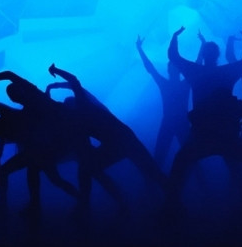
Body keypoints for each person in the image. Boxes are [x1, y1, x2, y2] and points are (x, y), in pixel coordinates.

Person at [164, 27, 242, 216]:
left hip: (202, 135)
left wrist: (175, 37)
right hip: (227, 134)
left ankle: (172, 206)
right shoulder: (227, 72)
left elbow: (173, 56)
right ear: (217, 55)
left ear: (204, 54)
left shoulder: (195, 71)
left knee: (180, 164)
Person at [46, 64, 168, 193]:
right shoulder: (78, 119)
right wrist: (54, 77)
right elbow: (73, 83)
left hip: (122, 141)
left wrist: (55, 76)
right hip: (122, 141)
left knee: (153, 173)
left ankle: (87, 202)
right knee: (154, 173)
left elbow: (73, 81)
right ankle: (169, 197)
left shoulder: (82, 107)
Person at [136, 35, 191, 169]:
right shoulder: (183, 84)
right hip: (177, 121)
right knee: (189, 157)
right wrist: (139, 49)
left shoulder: (169, 84)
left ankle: (155, 179)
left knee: (163, 157)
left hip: (172, 121)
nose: (172, 69)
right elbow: (150, 68)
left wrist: (139, 48)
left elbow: (150, 68)